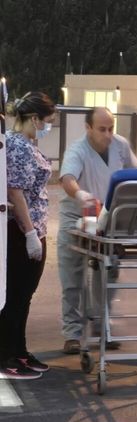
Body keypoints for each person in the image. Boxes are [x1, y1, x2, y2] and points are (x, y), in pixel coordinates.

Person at [58, 107, 137, 354]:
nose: (107, 134)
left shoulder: (120, 146)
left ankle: (101, 325)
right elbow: (67, 178)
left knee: (107, 270)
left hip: (107, 215)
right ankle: (72, 333)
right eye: (102, 129)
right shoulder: (77, 149)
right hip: (77, 214)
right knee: (73, 277)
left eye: (111, 128)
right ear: (88, 128)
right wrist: (80, 194)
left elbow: (136, 173)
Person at [0, 92, 56, 379]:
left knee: (25, 296)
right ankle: (6, 355)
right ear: (34, 119)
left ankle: (19, 351)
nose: (49, 127)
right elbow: (15, 192)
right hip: (21, 231)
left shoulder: (27, 144)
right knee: (15, 295)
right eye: (48, 122)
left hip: (34, 228)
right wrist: (30, 233)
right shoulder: (17, 145)